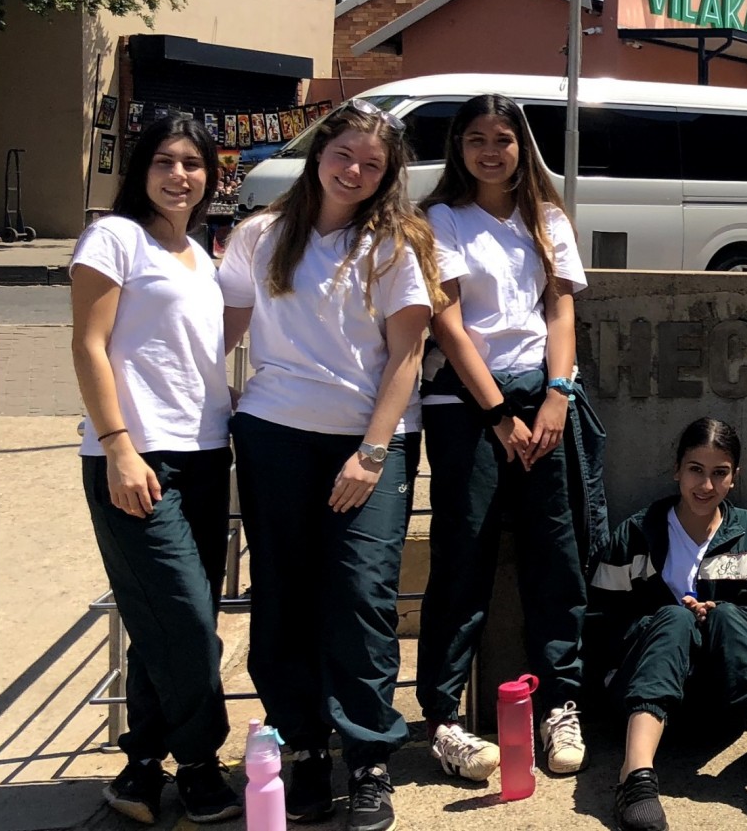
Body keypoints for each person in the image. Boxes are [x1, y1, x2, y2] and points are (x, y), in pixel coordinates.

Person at [219, 101, 440, 831]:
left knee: (360, 594)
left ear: (388, 175)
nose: (354, 171)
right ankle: (306, 749)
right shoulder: (259, 235)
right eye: (344, 154)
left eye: (372, 164)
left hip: (368, 443)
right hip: (274, 435)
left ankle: (370, 758)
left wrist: (371, 453)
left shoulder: (395, 244)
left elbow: (407, 355)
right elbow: (221, 328)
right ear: (319, 153)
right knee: (283, 595)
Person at [414, 95, 595, 782]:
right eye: (476, 139)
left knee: (556, 554)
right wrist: (496, 413)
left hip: (542, 398)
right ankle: (443, 719)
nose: (490, 152)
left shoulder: (548, 218)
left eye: (503, 139)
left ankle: (559, 703)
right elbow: (448, 321)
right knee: (463, 557)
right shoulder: (441, 218)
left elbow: (560, 309)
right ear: (458, 147)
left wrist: (558, 394)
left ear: (523, 146)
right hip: (467, 404)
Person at [70, 116, 241, 825]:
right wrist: (117, 445)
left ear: (210, 176)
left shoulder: (200, 254)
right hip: (134, 458)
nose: (180, 175)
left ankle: (141, 764)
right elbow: (88, 344)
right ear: (140, 168)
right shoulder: (114, 237)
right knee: (188, 620)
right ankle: (198, 763)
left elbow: (201, 348)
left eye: (193, 164)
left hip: (205, 454)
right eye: (165, 161)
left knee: (164, 620)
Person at [589, 419, 747, 831]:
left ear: (734, 477)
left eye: (719, 472)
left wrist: (713, 618)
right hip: (643, 698)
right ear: (677, 470)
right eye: (695, 469)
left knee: (727, 615)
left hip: (723, 701)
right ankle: (634, 777)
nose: (706, 485)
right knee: (675, 617)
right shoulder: (637, 533)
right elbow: (603, 625)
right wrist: (670, 624)